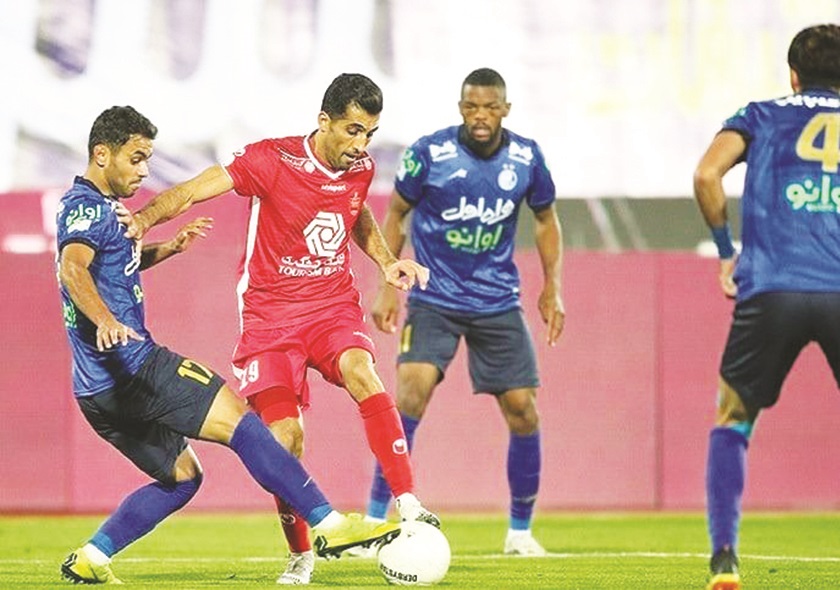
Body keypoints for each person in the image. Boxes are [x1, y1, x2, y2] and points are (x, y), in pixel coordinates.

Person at [56, 105, 401, 585]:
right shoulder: (88, 208)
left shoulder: (94, 208)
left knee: (182, 478)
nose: (144, 171)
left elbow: (109, 265)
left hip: (96, 393)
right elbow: (72, 268)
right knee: (244, 422)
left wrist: (165, 249)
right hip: (134, 367)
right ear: (101, 154)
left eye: (147, 159)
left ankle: (92, 556)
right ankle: (329, 524)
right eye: (135, 159)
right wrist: (106, 320)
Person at [121, 74, 439, 585]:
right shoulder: (272, 159)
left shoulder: (359, 168)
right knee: (284, 440)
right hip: (270, 320)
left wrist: (386, 262)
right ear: (324, 121)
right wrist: (144, 219)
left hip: (331, 307)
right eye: (353, 130)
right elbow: (195, 189)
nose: (361, 145)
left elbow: (355, 213)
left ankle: (409, 503)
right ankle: (300, 554)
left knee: (363, 372)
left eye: (370, 134)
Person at [359, 67, 565, 556]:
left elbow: (545, 219)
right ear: (460, 109)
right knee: (410, 394)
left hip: (497, 300)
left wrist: (552, 287)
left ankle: (520, 532)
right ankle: (373, 521)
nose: (480, 116)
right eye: (472, 107)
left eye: (490, 107)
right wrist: (387, 284)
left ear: (505, 110)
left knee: (523, 409)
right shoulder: (429, 154)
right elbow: (397, 212)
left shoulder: (527, 158)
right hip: (435, 296)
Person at [694, 24, 840, 590]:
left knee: (733, 415)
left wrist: (725, 251)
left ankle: (724, 558)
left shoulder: (761, 114)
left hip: (772, 286)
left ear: (794, 75)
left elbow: (707, 174)